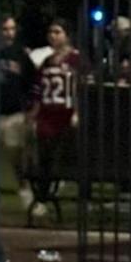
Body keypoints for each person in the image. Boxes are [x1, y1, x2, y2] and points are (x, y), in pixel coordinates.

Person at [27, 19, 82, 217]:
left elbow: (83, 88)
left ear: (67, 35)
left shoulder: (77, 60)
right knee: (43, 155)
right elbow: (38, 89)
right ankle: (42, 196)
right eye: (51, 32)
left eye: (57, 32)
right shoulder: (46, 61)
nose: (53, 36)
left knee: (64, 154)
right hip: (47, 114)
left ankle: (60, 188)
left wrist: (78, 111)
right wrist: (34, 112)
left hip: (66, 114)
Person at [0, 15, 38, 210]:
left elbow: (32, 82)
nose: (9, 33)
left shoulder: (20, 54)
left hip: (15, 112)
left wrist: (31, 107)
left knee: (15, 151)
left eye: (12, 29)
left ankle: (24, 186)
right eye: (5, 29)